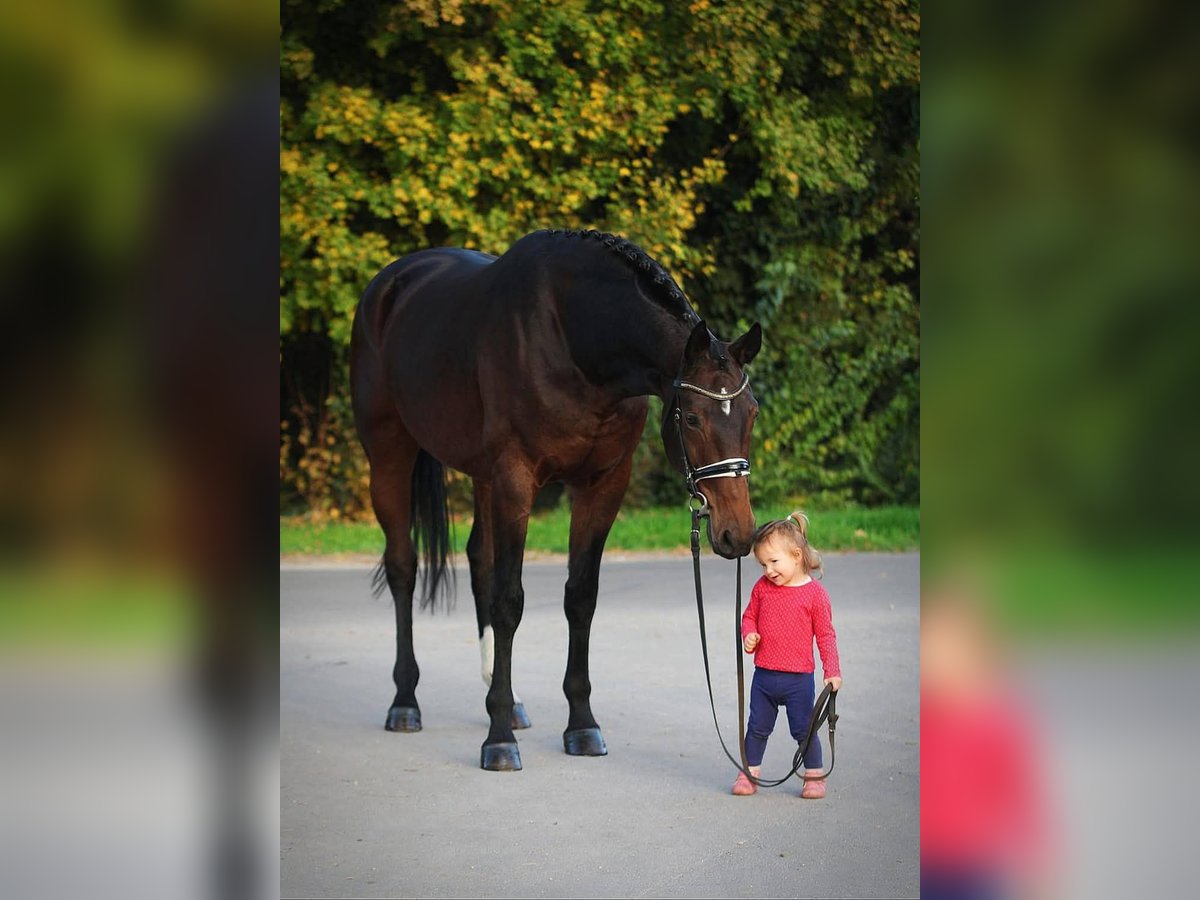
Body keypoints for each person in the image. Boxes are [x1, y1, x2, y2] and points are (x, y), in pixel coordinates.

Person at [732, 512, 842, 798]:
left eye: (774, 561)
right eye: (763, 564)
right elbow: (749, 617)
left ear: (796, 555)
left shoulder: (815, 595)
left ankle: (814, 776)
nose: (768, 570)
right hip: (764, 677)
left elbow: (826, 635)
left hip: (798, 680)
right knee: (756, 728)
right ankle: (749, 772)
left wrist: (832, 670)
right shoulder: (762, 588)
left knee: (804, 731)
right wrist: (749, 634)